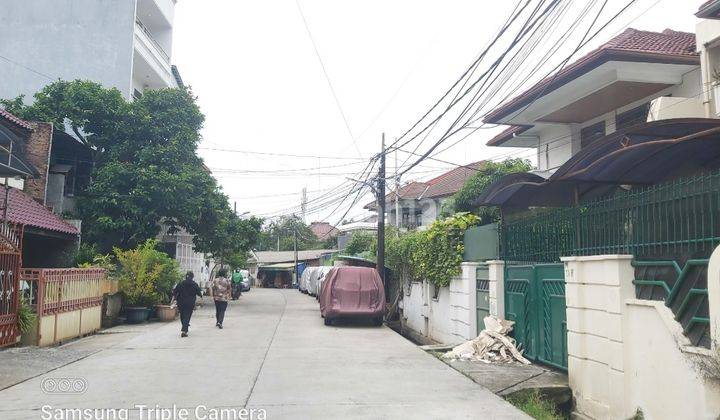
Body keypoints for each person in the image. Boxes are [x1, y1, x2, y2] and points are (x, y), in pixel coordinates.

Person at [173, 271, 202, 337]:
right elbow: (199, 293)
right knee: (187, 316)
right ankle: (184, 331)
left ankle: (184, 325)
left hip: (181, 302)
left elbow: (175, 291)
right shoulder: (195, 284)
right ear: (192, 277)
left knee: (182, 315)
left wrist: (175, 298)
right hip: (190, 303)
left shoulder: (181, 283)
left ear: (186, 276)